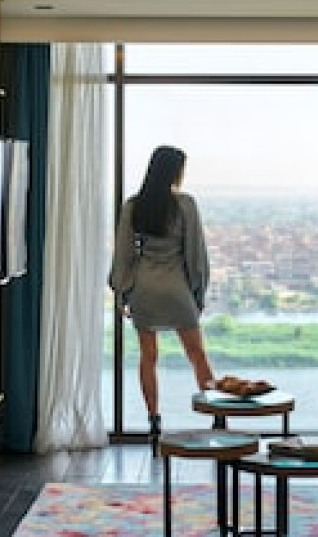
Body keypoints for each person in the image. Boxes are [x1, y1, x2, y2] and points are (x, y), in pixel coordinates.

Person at [109, 145, 216, 440]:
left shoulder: (133, 206)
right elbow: (195, 255)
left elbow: (123, 255)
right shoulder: (185, 204)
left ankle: (154, 420)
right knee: (197, 355)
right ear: (174, 172)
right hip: (176, 288)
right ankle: (217, 416)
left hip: (144, 288)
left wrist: (122, 292)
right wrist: (198, 294)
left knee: (148, 357)